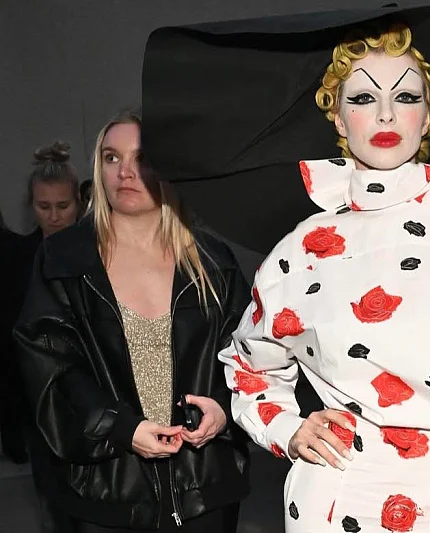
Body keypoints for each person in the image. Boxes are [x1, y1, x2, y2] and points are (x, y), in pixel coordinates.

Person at [219, 25, 430, 532]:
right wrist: (288, 428)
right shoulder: (303, 246)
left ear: (429, 114)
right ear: (339, 118)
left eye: (406, 97)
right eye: (363, 98)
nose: (386, 114)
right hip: (328, 495)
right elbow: (246, 364)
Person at [13, 110, 251, 532]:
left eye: (142, 158)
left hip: (205, 488)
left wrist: (222, 407)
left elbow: (250, 355)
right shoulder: (64, 260)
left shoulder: (214, 263)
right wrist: (122, 427)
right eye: (111, 157)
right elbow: (50, 365)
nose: (125, 171)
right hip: (107, 493)